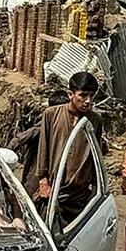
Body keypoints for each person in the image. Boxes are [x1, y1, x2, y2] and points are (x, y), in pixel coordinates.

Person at [24, 72, 104, 225]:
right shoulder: (51, 114)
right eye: (83, 95)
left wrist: (96, 189)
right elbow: (43, 149)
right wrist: (43, 183)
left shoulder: (95, 121)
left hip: (79, 195)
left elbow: (96, 157)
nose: (88, 101)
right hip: (54, 191)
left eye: (91, 96)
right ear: (70, 94)